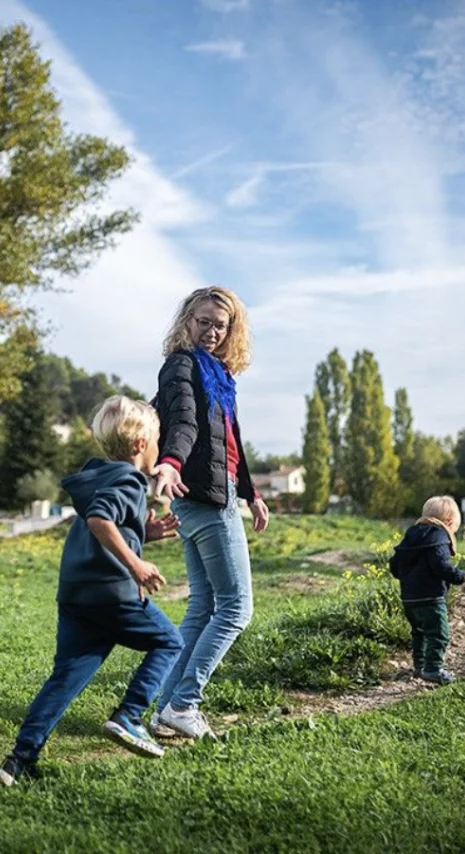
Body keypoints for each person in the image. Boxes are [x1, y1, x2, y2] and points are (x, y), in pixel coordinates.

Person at [0, 396, 184, 786]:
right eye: (157, 440)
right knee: (169, 642)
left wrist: (144, 533)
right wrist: (136, 564)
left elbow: (106, 518)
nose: (159, 449)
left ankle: (17, 762)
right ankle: (129, 715)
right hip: (113, 592)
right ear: (138, 446)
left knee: (64, 678)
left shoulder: (100, 475)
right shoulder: (130, 480)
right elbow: (100, 520)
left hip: (77, 595)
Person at [150, 286, 269, 739]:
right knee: (237, 608)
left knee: (202, 607)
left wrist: (252, 493)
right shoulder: (181, 366)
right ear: (187, 320)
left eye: (221, 325)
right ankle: (184, 703)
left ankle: (165, 710)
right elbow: (183, 421)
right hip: (203, 499)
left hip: (211, 498)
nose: (212, 332)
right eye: (203, 321)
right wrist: (171, 460)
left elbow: (231, 441)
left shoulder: (219, 374)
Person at [389, 495, 465, 685]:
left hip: (409, 599)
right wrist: (461, 576)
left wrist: (410, 579)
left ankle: (420, 667)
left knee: (419, 632)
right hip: (431, 598)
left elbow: (394, 565)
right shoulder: (439, 536)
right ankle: (433, 669)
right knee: (439, 634)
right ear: (449, 522)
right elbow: (440, 566)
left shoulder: (411, 536)